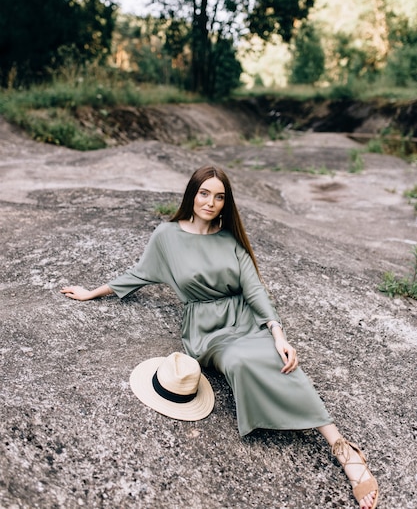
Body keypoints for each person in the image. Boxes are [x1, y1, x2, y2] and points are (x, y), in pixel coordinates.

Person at [61, 165, 378, 509]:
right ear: (192, 194)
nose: (210, 202)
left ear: (226, 203)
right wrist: (93, 292)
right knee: (240, 361)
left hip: (242, 316)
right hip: (207, 331)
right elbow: (138, 274)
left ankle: (343, 449)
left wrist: (278, 332)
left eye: (219, 197)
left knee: (276, 358)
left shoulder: (229, 238)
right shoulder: (166, 236)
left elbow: (253, 289)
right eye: (204, 193)